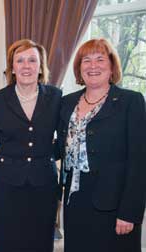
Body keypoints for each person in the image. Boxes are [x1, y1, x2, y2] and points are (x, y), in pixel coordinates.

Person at [57, 38, 146, 252]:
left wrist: (130, 212)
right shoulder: (67, 102)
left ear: (112, 65)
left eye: (100, 59)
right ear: (79, 68)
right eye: (86, 60)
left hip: (114, 204)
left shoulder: (130, 101)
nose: (93, 65)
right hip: (75, 200)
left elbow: (139, 160)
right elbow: (59, 145)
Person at [0, 39, 62, 252]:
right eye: (20, 60)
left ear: (40, 67)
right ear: (12, 67)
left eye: (32, 60)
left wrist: (48, 155)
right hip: (7, 185)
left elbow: (67, 137)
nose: (26, 65)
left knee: (40, 241)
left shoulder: (56, 97)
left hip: (44, 184)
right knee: (7, 241)